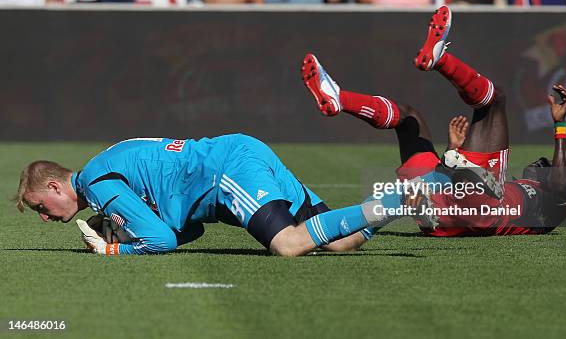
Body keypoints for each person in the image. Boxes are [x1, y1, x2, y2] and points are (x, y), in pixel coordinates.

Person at [301, 5, 566, 237]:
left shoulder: (552, 203)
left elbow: (562, 186)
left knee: (494, 101)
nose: (541, 162)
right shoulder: (527, 195)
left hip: (482, 210)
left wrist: (560, 127)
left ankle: (440, 59)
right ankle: (340, 98)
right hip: (444, 215)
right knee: (410, 120)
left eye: (546, 165)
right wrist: (452, 158)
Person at [14, 132, 432, 256]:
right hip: (241, 151)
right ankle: (435, 180)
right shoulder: (105, 164)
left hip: (225, 171)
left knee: (288, 246)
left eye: (40, 208)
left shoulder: (95, 184)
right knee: (341, 243)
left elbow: (160, 241)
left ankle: (399, 197)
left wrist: (114, 251)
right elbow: (189, 232)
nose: (44, 218)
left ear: (54, 186)